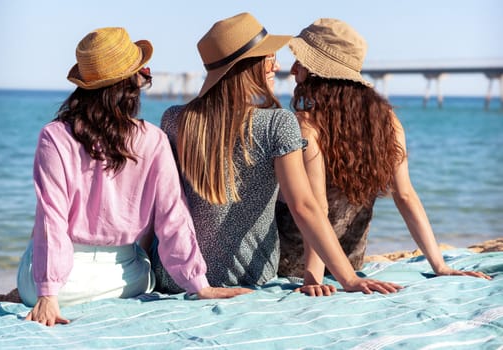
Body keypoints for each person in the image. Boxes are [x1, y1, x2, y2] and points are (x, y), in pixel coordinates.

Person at [155, 12, 402, 297]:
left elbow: (166, 205)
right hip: (247, 276)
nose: (278, 65)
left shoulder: (173, 118)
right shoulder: (277, 123)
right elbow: (305, 206)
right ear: (249, 67)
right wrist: (348, 278)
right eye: (269, 58)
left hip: (176, 275)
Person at [17, 27, 251, 327]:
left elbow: (53, 219)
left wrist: (48, 293)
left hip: (61, 289)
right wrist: (199, 284)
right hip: (125, 280)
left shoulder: (55, 136)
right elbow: (173, 217)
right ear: (131, 85)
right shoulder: (152, 139)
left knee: (41, 229)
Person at [277, 18, 492, 285]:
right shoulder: (386, 120)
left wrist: (313, 278)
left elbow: (316, 206)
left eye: (301, 62)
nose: (293, 68)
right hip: (351, 259)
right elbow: (405, 195)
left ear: (319, 72)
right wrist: (439, 264)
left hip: (294, 265)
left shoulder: (306, 125)